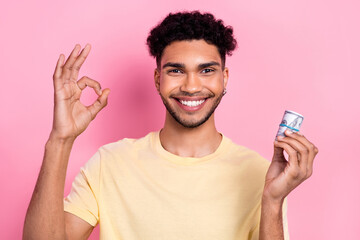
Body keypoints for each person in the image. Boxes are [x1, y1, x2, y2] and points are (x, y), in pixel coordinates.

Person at [23, 11, 318, 240]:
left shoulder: (258, 173)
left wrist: (273, 201)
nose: (191, 86)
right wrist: (60, 140)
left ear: (224, 79)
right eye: (176, 70)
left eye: (206, 70)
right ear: (157, 79)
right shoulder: (109, 164)